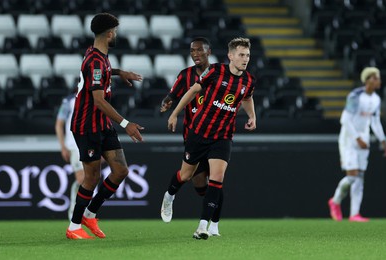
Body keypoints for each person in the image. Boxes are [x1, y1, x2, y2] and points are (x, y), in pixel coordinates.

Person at [161, 37, 256, 239]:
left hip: (223, 136)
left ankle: (205, 226)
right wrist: (174, 113)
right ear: (230, 56)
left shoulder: (249, 80)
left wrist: (252, 116)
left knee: (217, 179)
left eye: (247, 55)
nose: (245, 59)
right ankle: (169, 195)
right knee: (185, 176)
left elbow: (247, 97)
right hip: (198, 133)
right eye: (241, 55)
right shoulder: (215, 71)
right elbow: (192, 90)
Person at [66, 13, 144, 240]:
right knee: (91, 178)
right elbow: (99, 100)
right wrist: (126, 124)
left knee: (121, 170)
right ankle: (73, 227)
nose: (116, 35)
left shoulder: (98, 55)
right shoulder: (96, 62)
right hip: (87, 125)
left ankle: (90, 214)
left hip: (102, 124)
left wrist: (120, 73)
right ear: (109, 33)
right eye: (116, 31)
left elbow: (100, 74)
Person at [160, 37, 222, 236]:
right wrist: (168, 103)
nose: (195, 54)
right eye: (192, 51)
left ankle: (213, 225)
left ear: (208, 52)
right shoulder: (186, 75)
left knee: (217, 179)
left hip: (216, 135)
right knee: (193, 179)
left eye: (199, 50)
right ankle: (169, 195)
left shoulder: (219, 74)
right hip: (193, 135)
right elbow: (173, 94)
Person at [328, 67, 386, 222]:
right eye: (375, 78)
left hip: (364, 140)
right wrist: (357, 138)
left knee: (360, 177)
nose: (379, 81)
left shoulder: (375, 99)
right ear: (367, 79)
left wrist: (382, 140)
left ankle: (354, 214)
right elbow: (345, 120)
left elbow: (375, 122)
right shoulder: (356, 96)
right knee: (352, 176)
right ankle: (335, 201)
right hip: (349, 139)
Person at [55, 92, 83, 221]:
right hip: (74, 145)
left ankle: (85, 213)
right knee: (82, 179)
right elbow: (59, 123)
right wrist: (63, 146)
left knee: (91, 179)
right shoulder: (69, 100)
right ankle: (74, 212)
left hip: (91, 144)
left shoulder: (98, 97)